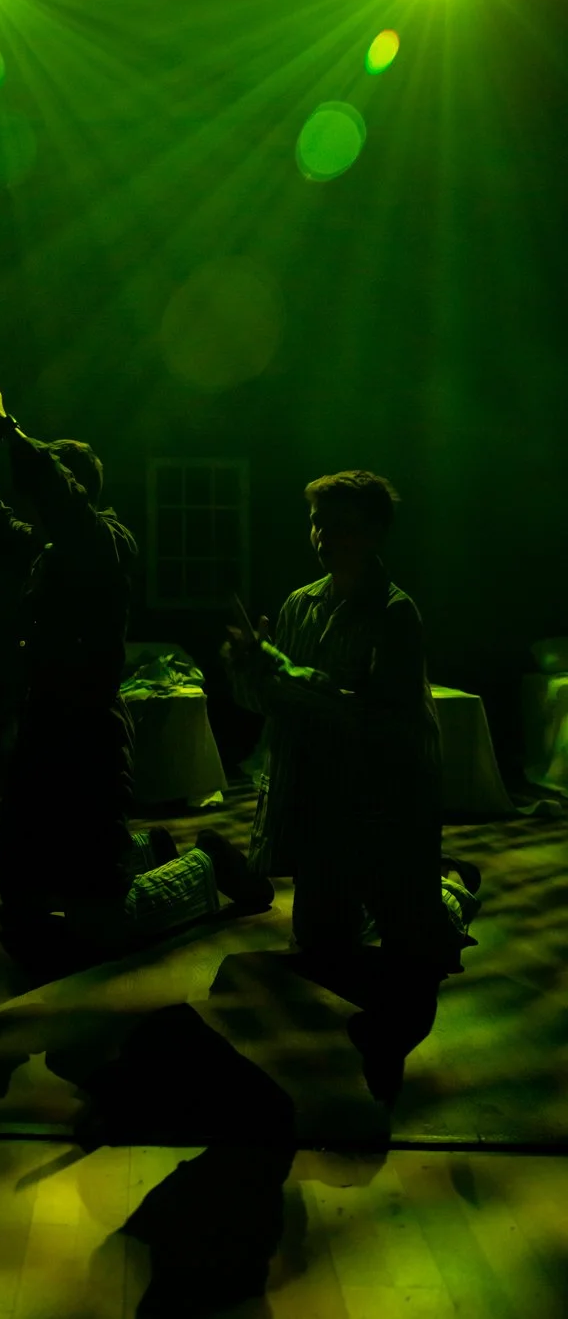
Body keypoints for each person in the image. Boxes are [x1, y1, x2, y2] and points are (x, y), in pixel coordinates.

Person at [0, 386, 271, 955]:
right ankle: (143, 851)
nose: (35, 505)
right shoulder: (54, 550)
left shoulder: (105, 542)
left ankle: (207, 862)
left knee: (107, 920)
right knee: (21, 896)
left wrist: (3, 423)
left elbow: (57, 497)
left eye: (49, 492)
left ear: (73, 491)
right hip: (43, 726)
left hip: (90, 735)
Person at [223, 469, 481, 1098]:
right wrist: (250, 671)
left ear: (374, 534)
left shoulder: (394, 614)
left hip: (387, 803)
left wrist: (285, 677)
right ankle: (408, 896)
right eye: (317, 523)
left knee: (417, 957)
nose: (323, 537)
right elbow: (270, 705)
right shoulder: (299, 604)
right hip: (325, 805)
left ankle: (450, 890)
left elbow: (374, 717)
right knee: (319, 946)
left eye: (340, 527)